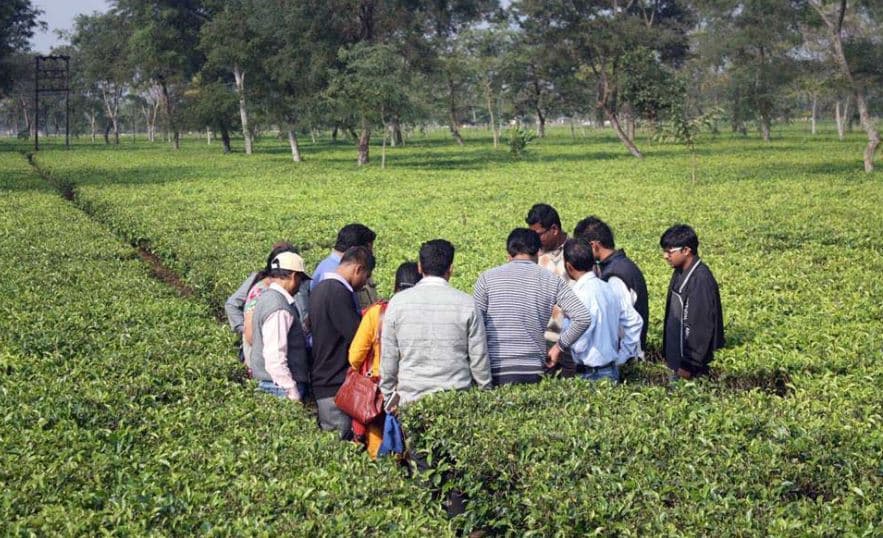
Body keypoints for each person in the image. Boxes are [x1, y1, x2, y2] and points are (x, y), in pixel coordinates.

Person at [380, 240, 492, 411]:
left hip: (410, 401)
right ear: (450, 269)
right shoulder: (467, 304)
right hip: (456, 401)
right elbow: (479, 358)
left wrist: (388, 395)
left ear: (419, 267)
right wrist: (485, 392)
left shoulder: (397, 303)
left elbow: (389, 357)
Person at [473, 228, 591, 385]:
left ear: (509, 252)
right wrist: (558, 348)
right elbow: (583, 317)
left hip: (495, 369)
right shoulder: (551, 280)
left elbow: (475, 324)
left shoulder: (486, 279)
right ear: (538, 252)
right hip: (534, 371)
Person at [348, 261, 422, 459]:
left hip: (379, 393)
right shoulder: (424, 314)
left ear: (395, 285)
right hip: (415, 389)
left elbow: (354, 356)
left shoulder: (377, 313)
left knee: (380, 451)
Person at [309, 246, 375, 437]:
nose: (364, 284)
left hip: (326, 381)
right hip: (335, 384)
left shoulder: (321, 287)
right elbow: (357, 337)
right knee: (341, 443)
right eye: (366, 276)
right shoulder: (338, 293)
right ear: (358, 269)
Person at [562, 238, 643, 383]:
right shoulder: (608, 287)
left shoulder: (578, 295)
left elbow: (579, 344)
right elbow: (635, 321)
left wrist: (567, 322)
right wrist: (622, 356)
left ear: (568, 267)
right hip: (611, 370)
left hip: (589, 374)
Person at [574, 216, 649, 357]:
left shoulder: (614, 277)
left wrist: (621, 359)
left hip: (624, 358)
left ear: (594, 245)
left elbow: (630, 323)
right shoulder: (623, 265)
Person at [660, 224, 725, 380]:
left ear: (686, 250)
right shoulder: (680, 271)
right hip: (676, 361)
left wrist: (689, 365)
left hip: (689, 369)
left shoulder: (700, 280)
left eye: (669, 252)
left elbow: (700, 326)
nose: (665, 256)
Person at [249, 251, 312, 401]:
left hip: (272, 384)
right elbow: (275, 356)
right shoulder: (279, 307)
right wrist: (291, 391)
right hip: (278, 387)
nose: (300, 285)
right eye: (301, 279)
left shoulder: (266, 297)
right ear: (293, 276)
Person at [224, 242, 298, 364]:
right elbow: (250, 334)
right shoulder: (261, 290)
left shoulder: (285, 287)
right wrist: (244, 328)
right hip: (265, 363)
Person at [525, 203, 576, 377]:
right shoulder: (534, 255)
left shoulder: (576, 252)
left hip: (570, 340)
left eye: (538, 234)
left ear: (554, 229)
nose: (534, 240)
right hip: (542, 338)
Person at [305, 223, 379, 310]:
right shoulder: (332, 275)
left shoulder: (331, 266)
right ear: (356, 250)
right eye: (369, 251)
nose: (371, 255)